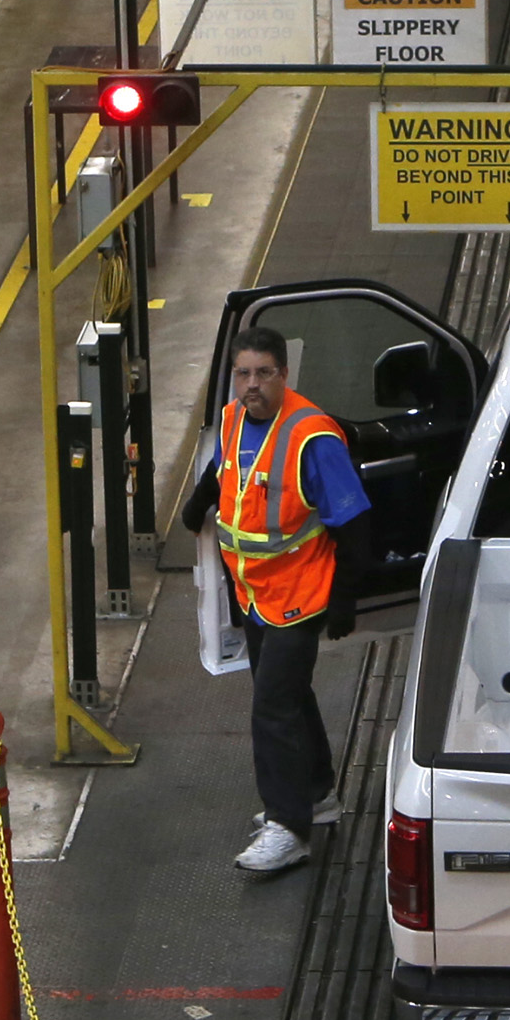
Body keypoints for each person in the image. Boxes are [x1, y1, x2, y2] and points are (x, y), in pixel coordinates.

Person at [180, 326, 369, 874]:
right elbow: (224, 469)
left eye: (264, 373)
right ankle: (317, 793)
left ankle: (289, 827)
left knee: (272, 708)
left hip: (299, 595)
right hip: (255, 592)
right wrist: (199, 501)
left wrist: (345, 599)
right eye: (243, 373)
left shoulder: (313, 437)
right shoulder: (234, 417)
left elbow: (355, 524)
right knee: (287, 695)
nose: (252, 385)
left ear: (284, 374)